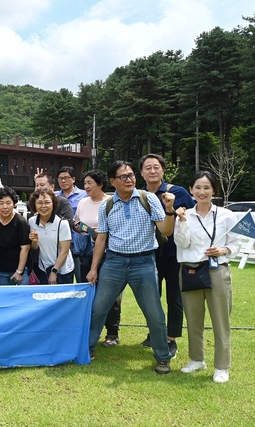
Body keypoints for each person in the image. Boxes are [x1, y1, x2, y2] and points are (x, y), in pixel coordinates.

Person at [87, 160, 176, 374]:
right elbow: (101, 238)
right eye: (123, 176)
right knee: (98, 309)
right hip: (114, 263)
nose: (130, 179)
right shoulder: (107, 205)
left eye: (131, 175)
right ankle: (87, 348)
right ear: (112, 181)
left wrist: (170, 210)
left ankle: (163, 358)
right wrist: (93, 268)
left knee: (153, 313)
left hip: (143, 263)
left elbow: (166, 230)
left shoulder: (149, 199)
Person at [174, 171, 240, 383]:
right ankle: (196, 359)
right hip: (190, 270)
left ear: (214, 191)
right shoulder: (184, 214)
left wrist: (223, 250)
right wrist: (182, 220)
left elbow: (237, 243)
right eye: (198, 188)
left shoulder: (226, 215)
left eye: (206, 188)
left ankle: (222, 366)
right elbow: (182, 243)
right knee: (193, 319)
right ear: (191, 190)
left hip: (216, 270)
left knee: (221, 320)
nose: (202, 192)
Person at [139, 153, 195, 357]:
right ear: (142, 172)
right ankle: (154, 332)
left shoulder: (178, 192)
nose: (152, 171)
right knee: (151, 297)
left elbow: (193, 217)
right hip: (146, 253)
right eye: (148, 167)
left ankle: (170, 338)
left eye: (156, 167)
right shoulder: (138, 194)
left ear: (163, 170)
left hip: (173, 253)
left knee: (174, 296)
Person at [74, 170, 119, 347]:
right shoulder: (83, 202)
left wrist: (101, 232)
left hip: (109, 254)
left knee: (110, 295)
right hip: (86, 254)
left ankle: (112, 333)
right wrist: (81, 228)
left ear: (100, 184)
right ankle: (90, 331)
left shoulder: (111, 202)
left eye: (89, 183)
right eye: (84, 183)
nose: (86, 187)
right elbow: (77, 222)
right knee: (90, 292)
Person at [0, 186, 30, 285]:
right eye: (1, 203)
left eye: (8, 203)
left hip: (19, 268)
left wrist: (19, 271)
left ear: (14, 204)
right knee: (5, 298)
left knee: (20, 298)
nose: (5, 207)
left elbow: (25, 248)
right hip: (0, 269)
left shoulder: (20, 222)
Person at [28, 189, 74, 284]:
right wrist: (35, 241)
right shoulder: (32, 221)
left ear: (53, 204)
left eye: (47, 202)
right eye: (39, 203)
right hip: (43, 268)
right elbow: (34, 247)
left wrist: (54, 271)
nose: (43, 206)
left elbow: (64, 251)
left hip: (63, 270)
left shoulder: (62, 223)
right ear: (34, 205)